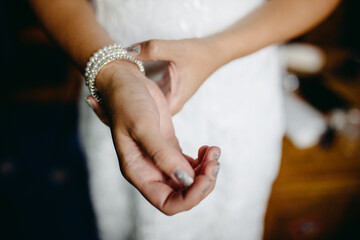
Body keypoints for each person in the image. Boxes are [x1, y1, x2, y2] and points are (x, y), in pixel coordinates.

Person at [29, 0, 340, 239]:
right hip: (120, 96)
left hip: (241, 96)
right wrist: (110, 71)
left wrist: (218, 50)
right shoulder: (116, 84)